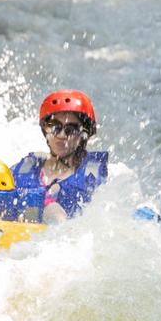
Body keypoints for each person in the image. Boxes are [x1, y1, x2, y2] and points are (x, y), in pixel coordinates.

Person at [12, 89, 108, 223]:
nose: (62, 135)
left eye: (71, 129)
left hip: (67, 238)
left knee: (53, 211)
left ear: (84, 134)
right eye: (55, 127)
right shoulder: (24, 169)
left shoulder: (100, 177)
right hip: (20, 237)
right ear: (46, 129)